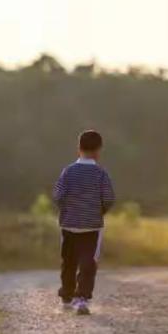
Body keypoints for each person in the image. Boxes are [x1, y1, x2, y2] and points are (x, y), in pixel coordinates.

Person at [53, 130, 115, 315]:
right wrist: (98, 211)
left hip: (69, 225)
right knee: (88, 262)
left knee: (68, 261)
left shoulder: (68, 171)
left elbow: (58, 195)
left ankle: (66, 296)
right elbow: (109, 198)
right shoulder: (100, 174)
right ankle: (81, 298)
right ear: (98, 151)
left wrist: (68, 210)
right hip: (92, 227)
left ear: (78, 149)